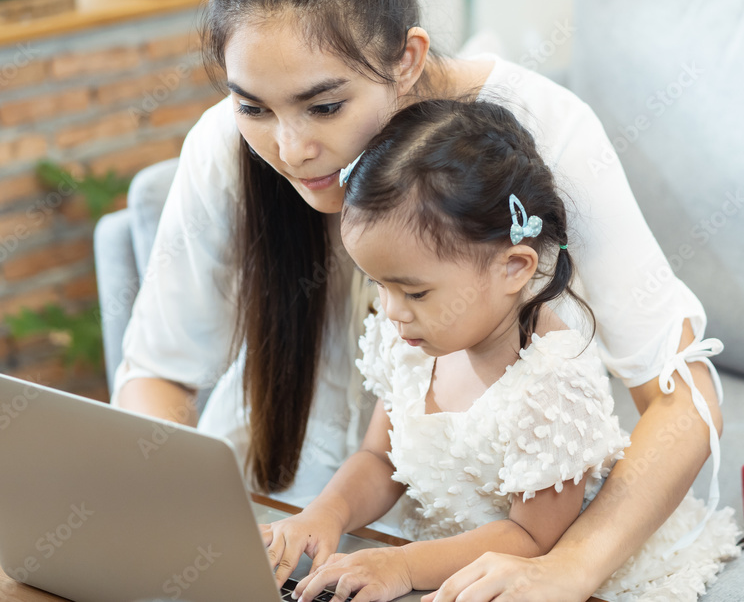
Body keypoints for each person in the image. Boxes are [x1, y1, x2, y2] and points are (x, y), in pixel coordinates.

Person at [112, 0, 738, 598]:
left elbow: (683, 398)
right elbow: (157, 372)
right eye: (253, 107)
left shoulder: (542, 130)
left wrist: (567, 566)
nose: (291, 149)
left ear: (407, 58)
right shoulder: (224, 146)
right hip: (283, 516)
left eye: (325, 105)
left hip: (479, 543)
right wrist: (188, 527)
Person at [268, 98, 742, 602]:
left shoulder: (550, 385)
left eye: (415, 292)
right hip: (452, 558)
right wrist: (326, 513)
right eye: (377, 284)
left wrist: (402, 565)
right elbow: (379, 458)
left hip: (549, 570)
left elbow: (534, 539)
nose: (391, 311)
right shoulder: (414, 339)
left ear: (514, 267)